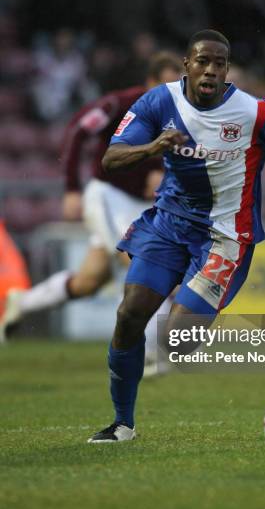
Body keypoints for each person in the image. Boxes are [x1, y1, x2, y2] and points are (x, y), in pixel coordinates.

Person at [87, 29, 265, 443]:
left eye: (219, 63)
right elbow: (110, 158)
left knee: (178, 344)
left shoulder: (255, 112)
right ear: (187, 65)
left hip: (224, 237)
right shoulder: (160, 101)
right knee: (128, 317)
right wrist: (153, 146)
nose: (210, 70)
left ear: (227, 70)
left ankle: (261, 344)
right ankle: (123, 424)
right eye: (203, 62)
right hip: (168, 225)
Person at [0, 52, 183, 362]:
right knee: (146, 261)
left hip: (142, 205)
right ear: (150, 82)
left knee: (89, 281)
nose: (170, 91)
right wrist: (71, 188)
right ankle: (153, 354)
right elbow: (78, 130)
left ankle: (23, 302)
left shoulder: (184, 114)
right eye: (164, 84)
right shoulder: (121, 103)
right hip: (108, 196)